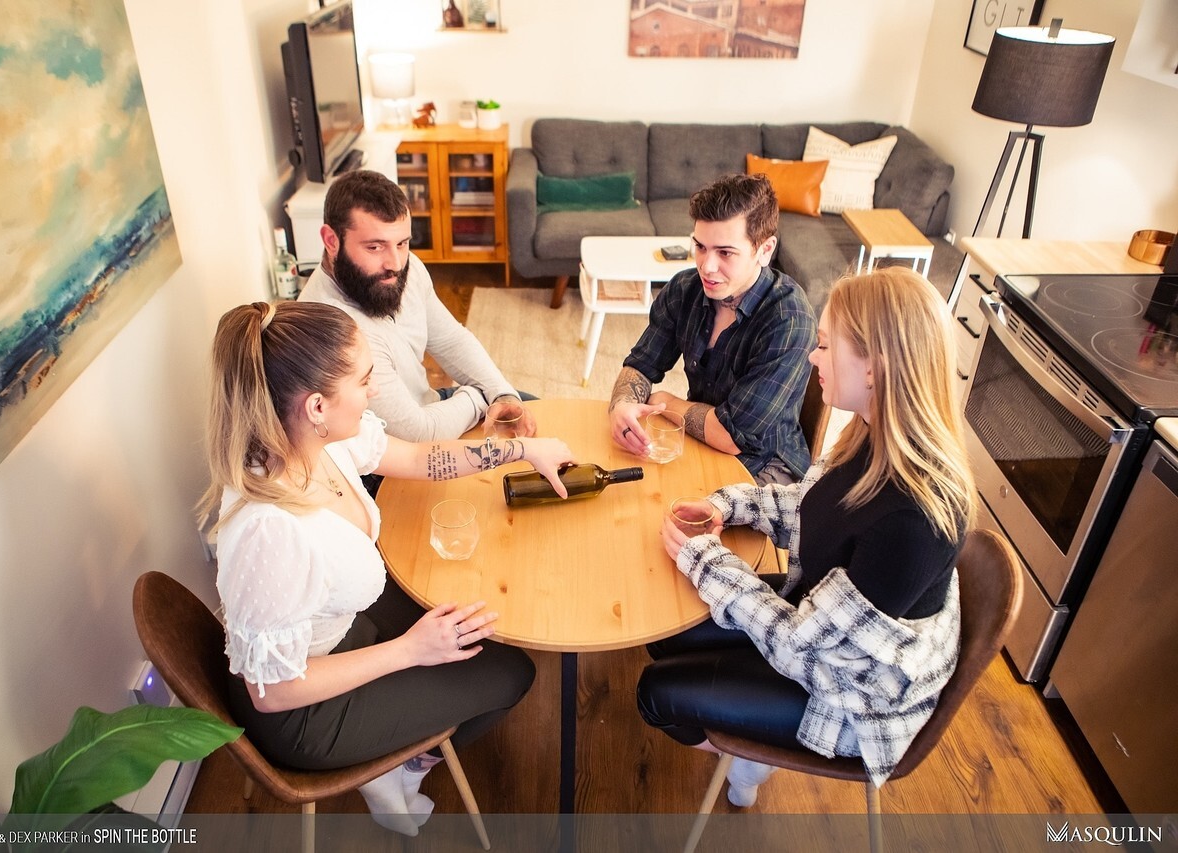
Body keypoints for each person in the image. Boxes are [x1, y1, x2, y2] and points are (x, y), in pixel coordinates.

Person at [198, 300, 574, 836]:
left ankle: (400, 754)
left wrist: (519, 448)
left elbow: (421, 459)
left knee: (493, 623)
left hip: (344, 626)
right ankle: (399, 762)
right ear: (316, 406)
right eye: (364, 380)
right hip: (305, 709)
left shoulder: (324, 440)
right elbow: (273, 692)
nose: (375, 390)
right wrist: (410, 651)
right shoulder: (270, 531)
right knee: (511, 674)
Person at [636, 267, 976, 806]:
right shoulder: (870, 433)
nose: (812, 358)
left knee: (655, 693)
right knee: (658, 629)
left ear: (874, 367)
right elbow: (813, 510)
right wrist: (728, 504)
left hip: (849, 700)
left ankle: (750, 759)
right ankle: (746, 728)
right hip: (822, 624)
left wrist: (707, 563)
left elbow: (801, 647)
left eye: (824, 346)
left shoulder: (915, 521)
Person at [608, 173, 816, 484]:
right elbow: (640, 365)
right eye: (701, 247)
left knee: (673, 519)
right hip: (703, 441)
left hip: (767, 466)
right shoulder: (685, 289)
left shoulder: (789, 320)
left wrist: (663, 401)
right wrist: (622, 405)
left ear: (765, 249)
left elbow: (733, 436)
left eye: (725, 252)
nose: (707, 266)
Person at [298, 169, 534, 442]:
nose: (395, 264)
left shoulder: (401, 269)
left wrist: (500, 393)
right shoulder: (330, 329)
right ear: (331, 241)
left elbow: (450, 339)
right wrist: (480, 396)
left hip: (432, 409)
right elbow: (417, 433)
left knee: (531, 414)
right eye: (375, 247)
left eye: (402, 243)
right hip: (397, 453)